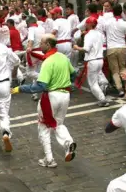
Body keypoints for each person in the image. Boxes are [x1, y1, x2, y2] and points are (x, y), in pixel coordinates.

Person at [11, 34, 77, 167]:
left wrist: (20, 89)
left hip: (51, 97)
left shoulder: (48, 61)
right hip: (65, 95)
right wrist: (67, 83)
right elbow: (73, 73)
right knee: (58, 124)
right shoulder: (63, 57)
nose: (39, 45)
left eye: (41, 43)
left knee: (44, 127)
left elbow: (40, 86)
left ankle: (49, 159)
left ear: (48, 45)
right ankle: (68, 142)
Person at [73, 16, 110, 107]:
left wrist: (76, 47)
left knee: (92, 83)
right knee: (98, 75)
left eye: (86, 23)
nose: (85, 25)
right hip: (100, 59)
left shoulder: (89, 35)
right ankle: (103, 82)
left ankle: (102, 99)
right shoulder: (100, 34)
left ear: (89, 24)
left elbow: (86, 49)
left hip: (92, 60)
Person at [103, 4, 126, 96]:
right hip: (122, 47)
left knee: (115, 70)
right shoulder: (124, 23)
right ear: (121, 12)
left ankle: (120, 89)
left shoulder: (107, 22)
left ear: (112, 12)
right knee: (123, 67)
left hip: (111, 48)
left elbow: (104, 32)